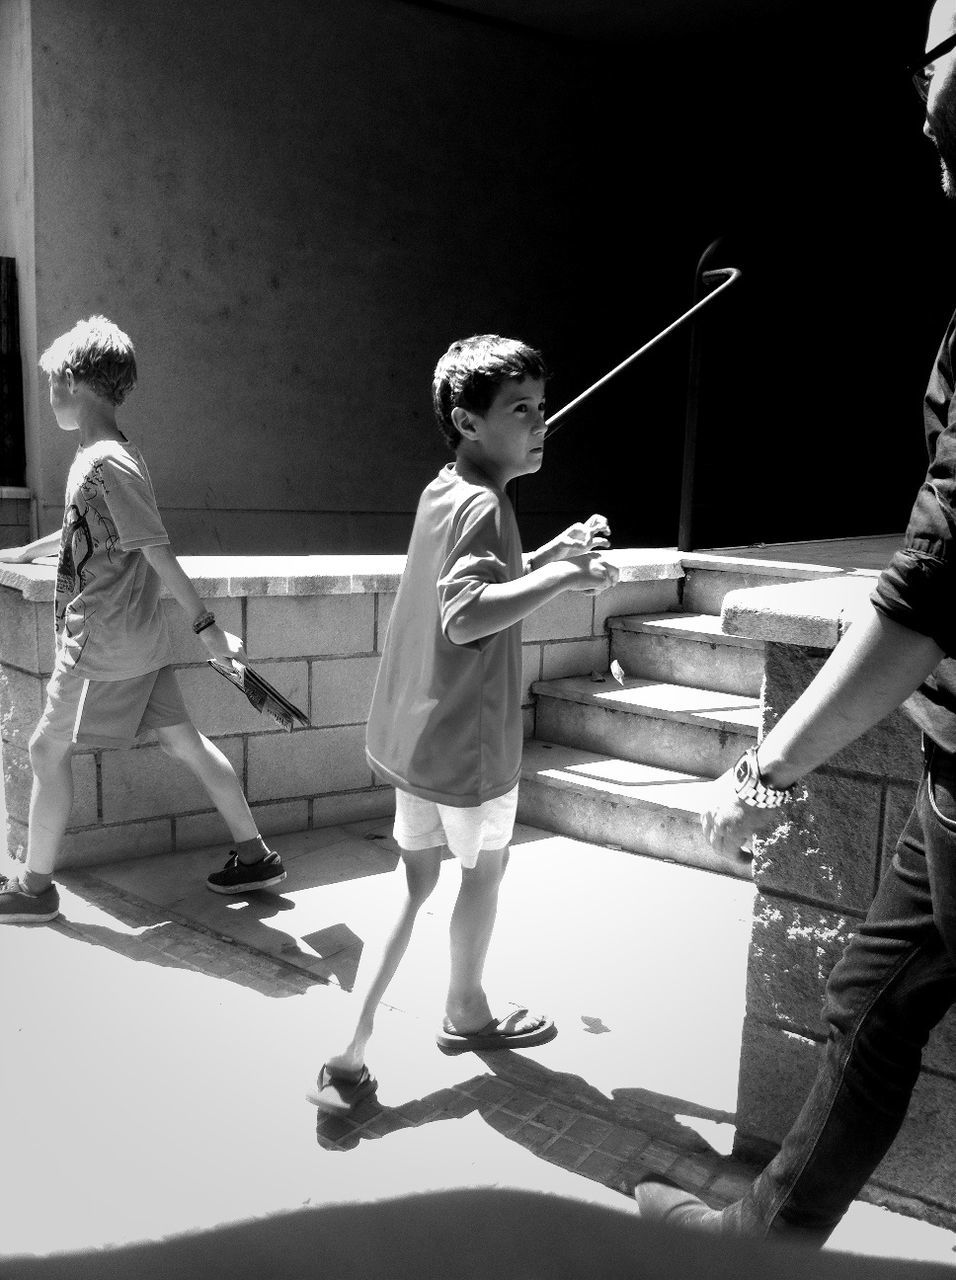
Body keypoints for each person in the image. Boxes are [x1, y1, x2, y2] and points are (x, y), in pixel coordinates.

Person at [634, 0, 956, 1244]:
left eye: (944, 134)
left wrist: (761, 767)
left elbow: (931, 591)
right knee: (870, 1004)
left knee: (872, 1005)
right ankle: (760, 1237)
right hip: (944, 781)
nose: (937, 175)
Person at [307, 334, 619, 1113]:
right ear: (465, 419)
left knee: (412, 887)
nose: (540, 422)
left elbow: (480, 577)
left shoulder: (451, 490)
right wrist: (563, 574)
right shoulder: (484, 503)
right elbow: (465, 614)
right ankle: (467, 1010)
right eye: (520, 410)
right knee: (483, 872)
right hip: (472, 749)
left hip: (420, 739)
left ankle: (348, 1053)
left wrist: (553, 550)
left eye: (541, 407)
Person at [0, 316, 286, 923]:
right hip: (137, 641)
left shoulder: (107, 463)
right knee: (186, 743)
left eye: (53, 383)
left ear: (76, 382)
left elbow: (156, 547)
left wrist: (206, 626)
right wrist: (31, 550)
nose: (49, 396)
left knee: (46, 750)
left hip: (99, 644)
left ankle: (34, 890)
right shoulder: (109, 457)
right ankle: (254, 853)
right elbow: (96, 529)